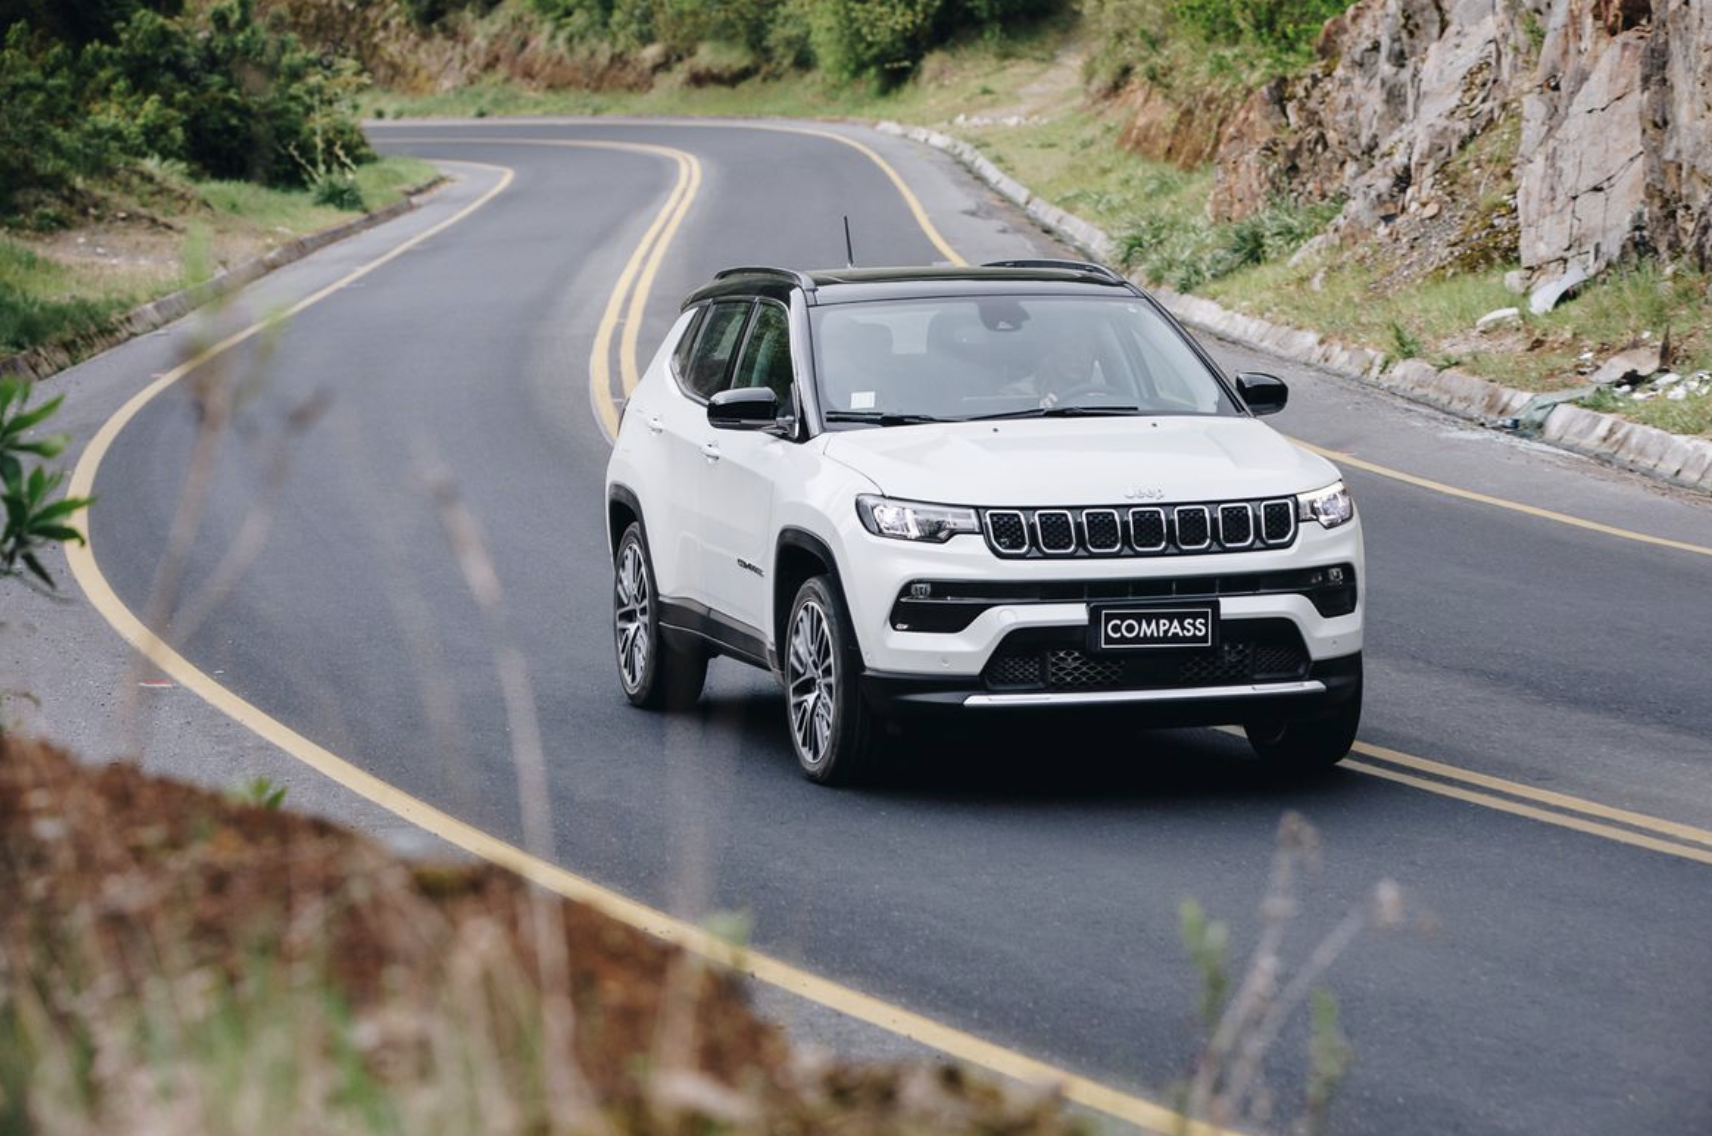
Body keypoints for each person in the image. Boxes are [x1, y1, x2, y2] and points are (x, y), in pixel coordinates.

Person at [1030, 336, 1099, 408]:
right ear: (1053, 352)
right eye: (1074, 348)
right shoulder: (1022, 392)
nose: (1083, 357)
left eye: (1089, 350)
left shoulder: (1100, 394)